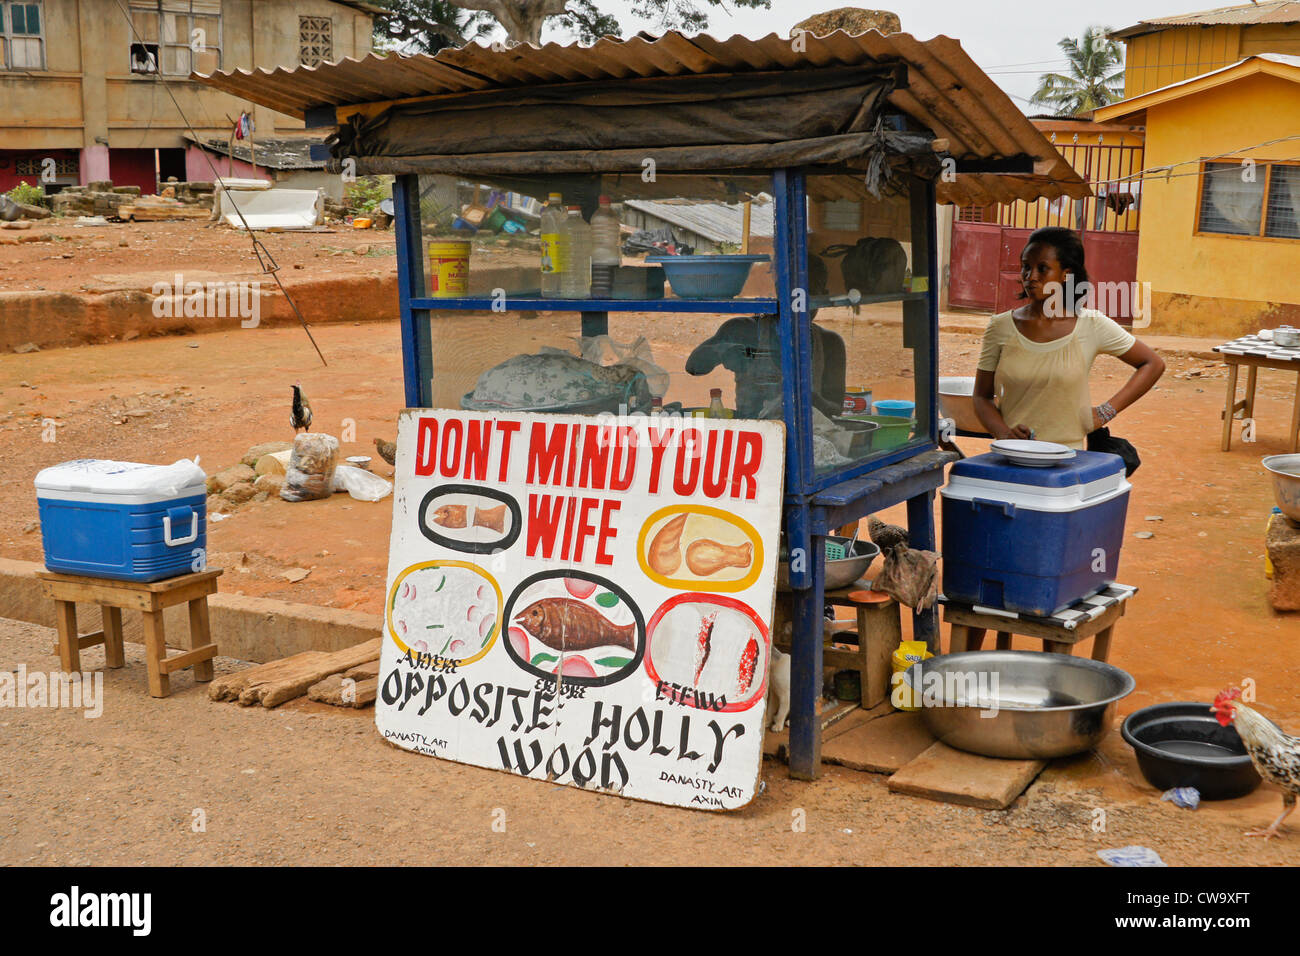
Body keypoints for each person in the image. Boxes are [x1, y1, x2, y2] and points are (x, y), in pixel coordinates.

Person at [973, 227, 1164, 451]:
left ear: (1066, 274)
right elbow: (981, 396)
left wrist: (1104, 412)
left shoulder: (1091, 325)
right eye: (1026, 267)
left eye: (1042, 269)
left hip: (1068, 462)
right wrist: (1005, 434)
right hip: (1012, 458)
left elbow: (1153, 364)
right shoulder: (1000, 327)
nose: (1030, 276)